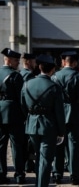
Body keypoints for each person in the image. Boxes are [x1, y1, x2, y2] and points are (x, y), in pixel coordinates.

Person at [21, 54, 66, 187]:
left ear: (39, 67)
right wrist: (61, 131)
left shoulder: (27, 84)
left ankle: (39, 182)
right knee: (45, 160)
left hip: (32, 125)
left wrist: (30, 117)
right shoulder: (54, 87)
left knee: (40, 157)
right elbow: (59, 112)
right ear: (52, 70)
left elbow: (22, 106)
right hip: (48, 126)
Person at [51, 51, 79, 185]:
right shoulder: (78, 76)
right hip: (73, 113)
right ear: (75, 62)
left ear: (63, 62)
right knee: (74, 144)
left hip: (58, 113)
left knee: (58, 144)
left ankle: (57, 174)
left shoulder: (55, 76)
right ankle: (74, 174)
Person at [0, 48, 25, 184]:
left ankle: (1, 174)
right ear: (8, 60)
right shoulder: (15, 76)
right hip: (14, 113)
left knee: (0, 145)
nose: (18, 63)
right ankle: (19, 175)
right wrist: (24, 114)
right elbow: (21, 98)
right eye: (16, 61)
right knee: (17, 146)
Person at [20, 53, 37, 173]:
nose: (35, 64)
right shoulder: (29, 76)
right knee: (29, 143)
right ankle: (29, 164)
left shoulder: (18, 74)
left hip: (18, 113)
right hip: (27, 113)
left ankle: (24, 164)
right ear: (28, 62)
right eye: (34, 62)